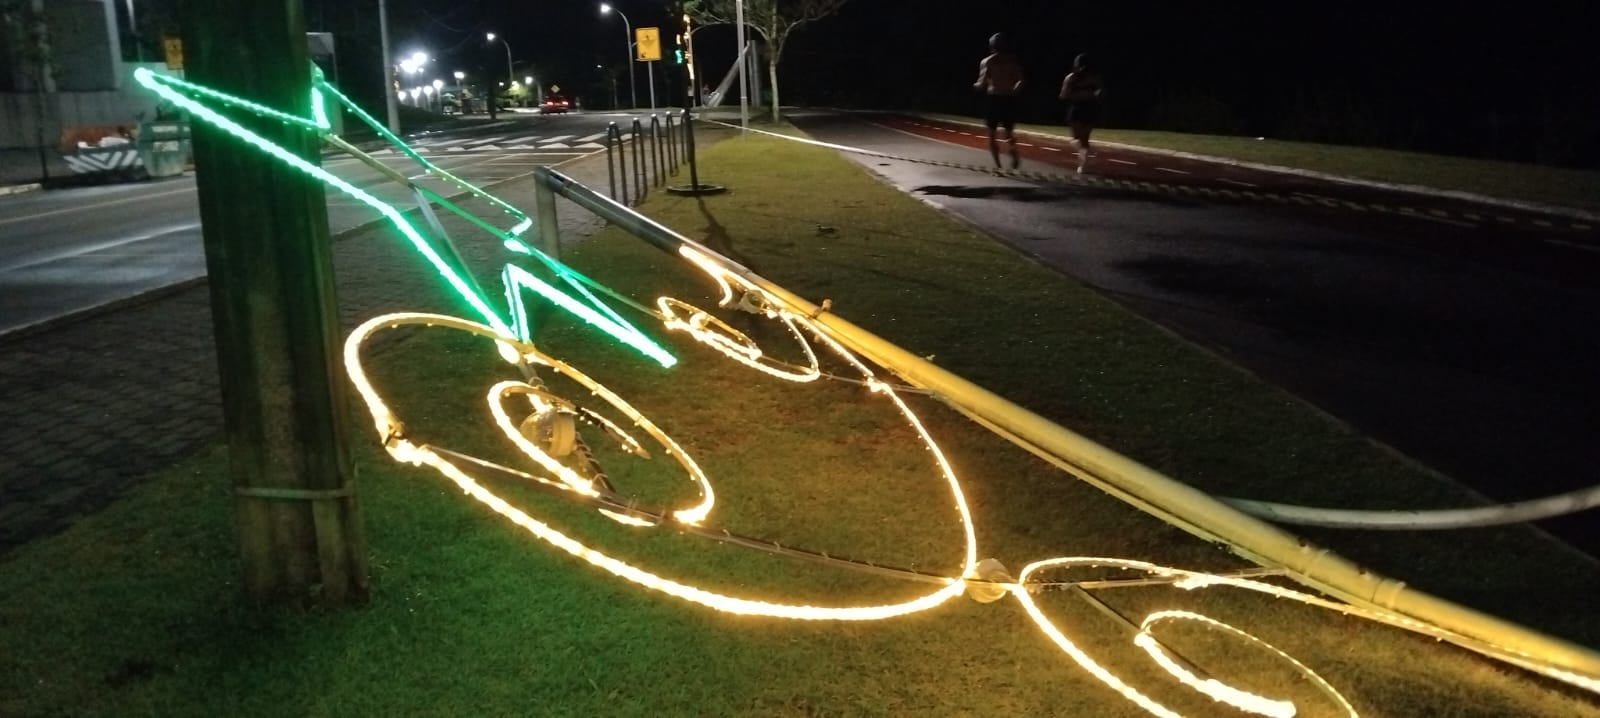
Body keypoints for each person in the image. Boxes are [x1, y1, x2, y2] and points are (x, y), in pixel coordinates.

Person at [973, 33, 1024, 169]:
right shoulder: (1012, 61)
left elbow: (981, 83)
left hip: (994, 98)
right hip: (1008, 98)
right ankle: (1013, 150)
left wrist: (975, 86)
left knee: (991, 134)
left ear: (992, 46)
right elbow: (1021, 80)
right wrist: (1014, 90)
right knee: (1008, 132)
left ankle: (998, 166)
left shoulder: (987, 61)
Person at [1059, 53, 1104, 173]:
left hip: (1084, 108)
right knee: (1080, 139)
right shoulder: (1075, 78)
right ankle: (1085, 159)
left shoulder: (1086, 77)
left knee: (1080, 138)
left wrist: (1096, 93)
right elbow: (1063, 95)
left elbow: (1063, 95)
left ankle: (1084, 162)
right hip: (1083, 108)